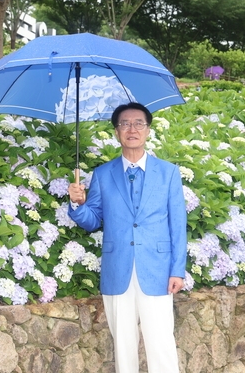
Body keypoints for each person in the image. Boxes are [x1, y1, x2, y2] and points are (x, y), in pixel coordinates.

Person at [68, 102, 187, 373]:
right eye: (124, 124)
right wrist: (78, 204)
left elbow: (178, 224)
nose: (131, 129)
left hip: (157, 270)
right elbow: (93, 220)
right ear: (116, 131)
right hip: (117, 267)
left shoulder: (168, 173)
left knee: (161, 344)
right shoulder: (102, 174)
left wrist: (177, 270)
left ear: (148, 130)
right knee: (122, 344)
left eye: (138, 124)